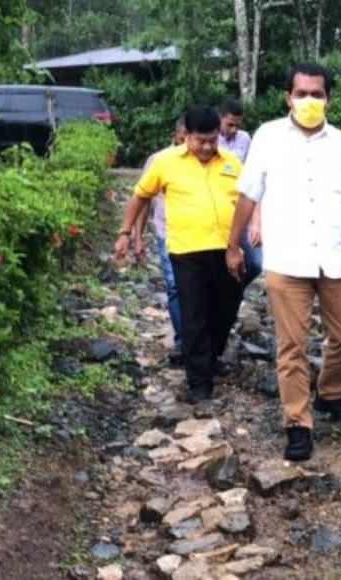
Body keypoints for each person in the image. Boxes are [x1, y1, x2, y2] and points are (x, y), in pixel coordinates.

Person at [226, 62, 341, 461]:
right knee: (292, 347)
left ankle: (331, 393)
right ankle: (297, 424)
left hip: (338, 257)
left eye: (316, 94)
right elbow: (248, 195)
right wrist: (232, 245)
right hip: (287, 259)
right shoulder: (268, 138)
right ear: (288, 97)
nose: (308, 101)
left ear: (328, 99)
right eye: (301, 93)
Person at [114, 106, 244, 403]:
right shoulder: (165, 162)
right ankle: (199, 381)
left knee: (226, 308)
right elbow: (140, 196)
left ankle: (210, 355)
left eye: (212, 140)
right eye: (201, 141)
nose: (207, 147)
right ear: (186, 136)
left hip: (227, 250)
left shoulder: (232, 163)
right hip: (186, 251)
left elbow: (249, 199)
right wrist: (125, 233)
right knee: (194, 313)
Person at [131, 118, 187, 364]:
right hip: (167, 233)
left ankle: (199, 338)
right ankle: (183, 340)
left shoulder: (204, 160)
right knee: (175, 285)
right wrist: (137, 237)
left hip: (199, 236)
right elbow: (142, 200)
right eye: (183, 136)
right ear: (176, 135)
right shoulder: (158, 161)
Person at [218, 99, 263, 294]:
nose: (234, 129)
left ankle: (232, 293)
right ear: (220, 118)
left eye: (237, 125)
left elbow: (253, 181)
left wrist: (256, 222)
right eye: (229, 124)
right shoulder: (208, 139)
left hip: (241, 208)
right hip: (217, 211)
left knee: (256, 262)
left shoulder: (244, 139)